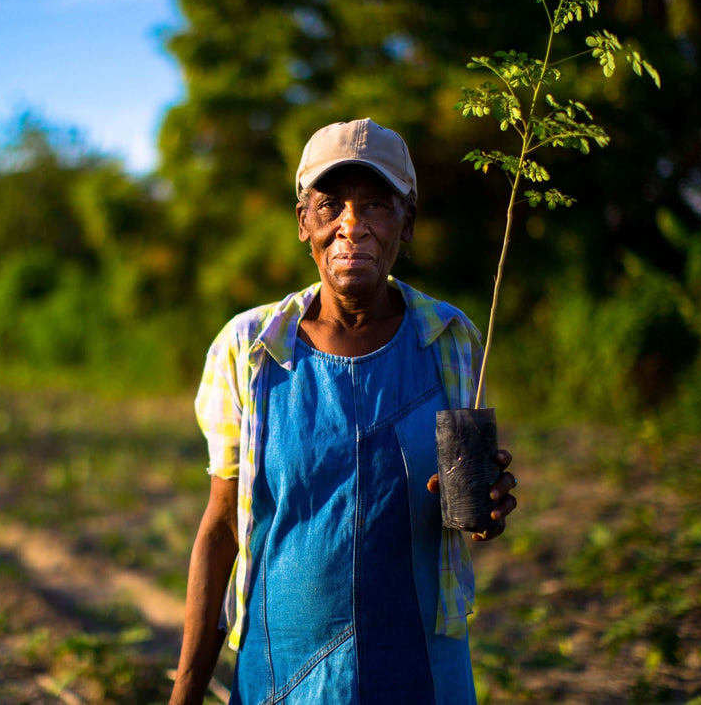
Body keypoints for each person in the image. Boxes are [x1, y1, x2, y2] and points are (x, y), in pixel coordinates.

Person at [169, 118, 517, 705]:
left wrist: (484, 511)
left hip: (422, 672)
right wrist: (185, 694)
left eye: (377, 206)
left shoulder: (451, 339)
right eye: (330, 206)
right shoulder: (249, 347)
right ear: (304, 222)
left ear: (407, 223)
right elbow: (223, 524)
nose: (350, 226)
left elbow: (467, 507)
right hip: (283, 671)